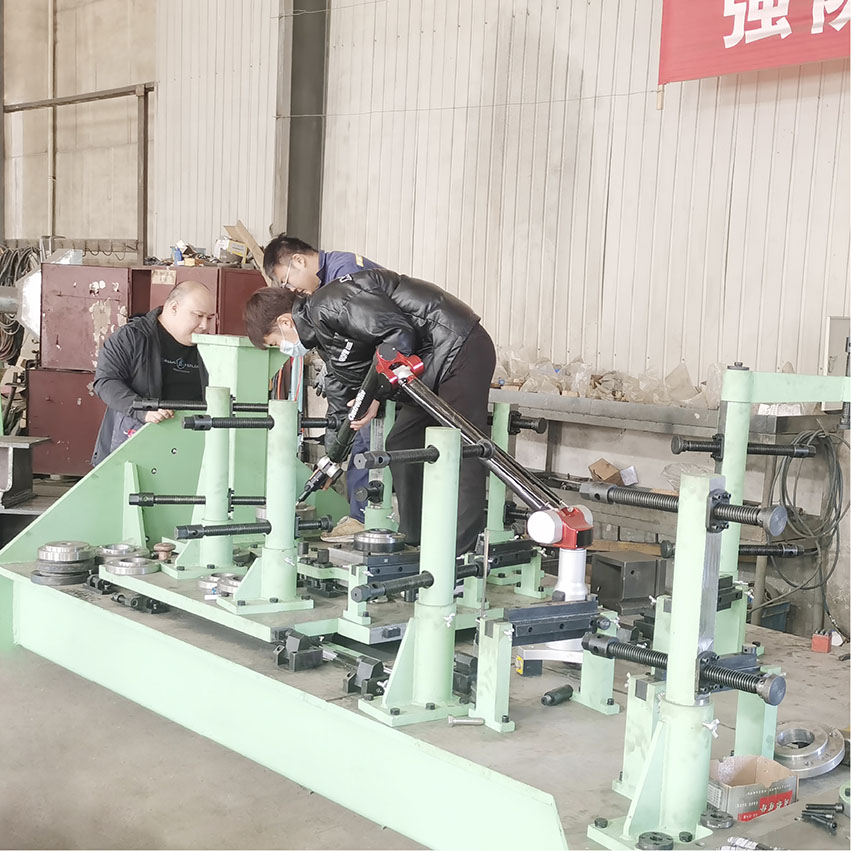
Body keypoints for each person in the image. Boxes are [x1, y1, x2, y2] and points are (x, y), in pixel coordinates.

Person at [243, 269, 496, 556]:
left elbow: (397, 336)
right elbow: (342, 402)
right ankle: (415, 539)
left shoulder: (333, 302)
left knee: (463, 449)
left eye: (276, 343)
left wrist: (375, 393)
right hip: (430, 367)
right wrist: (332, 460)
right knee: (402, 442)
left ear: (285, 322)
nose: (284, 349)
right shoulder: (325, 340)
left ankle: (460, 554)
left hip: (458, 347)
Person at [263, 234, 383, 524]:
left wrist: (334, 453)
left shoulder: (344, 276)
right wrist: (333, 454)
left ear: (299, 260)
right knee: (359, 439)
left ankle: (367, 522)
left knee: (367, 444)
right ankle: (361, 519)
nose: (292, 289)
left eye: (287, 280)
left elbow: (358, 349)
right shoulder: (326, 287)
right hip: (375, 375)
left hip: (389, 371)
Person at [91, 280, 216, 465]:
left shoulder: (210, 348)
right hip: (136, 439)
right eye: (198, 316)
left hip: (189, 445)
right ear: (174, 308)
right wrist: (143, 409)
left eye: (210, 318)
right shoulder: (131, 338)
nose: (204, 325)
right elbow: (105, 382)